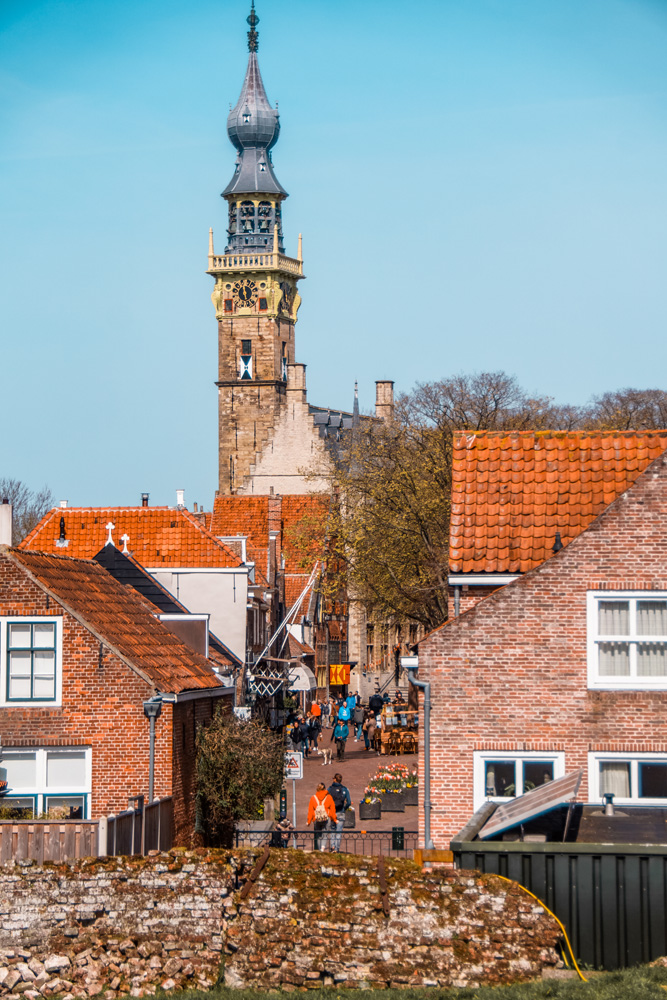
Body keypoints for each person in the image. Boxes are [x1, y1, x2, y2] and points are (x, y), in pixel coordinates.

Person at [306, 781, 336, 851]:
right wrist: (334, 819)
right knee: (325, 834)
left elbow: (310, 810)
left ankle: (320, 850)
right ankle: (322, 848)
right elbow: (332, 809)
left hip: (316, 818)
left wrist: (308, 821)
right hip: (326, 818)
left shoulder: (313, 798)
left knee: (318, 835)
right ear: (325, 789)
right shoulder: (329, 797)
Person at [327, 773, 351, 852]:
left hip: (332, 813)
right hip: (341, 812)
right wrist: (344, 808)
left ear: (334, 779)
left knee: (332, 830)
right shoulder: (345, 789)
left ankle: (332, 847)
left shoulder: (330, 789)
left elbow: (326, 799)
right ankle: (337, 849)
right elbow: (349, 802)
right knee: (339, 832)